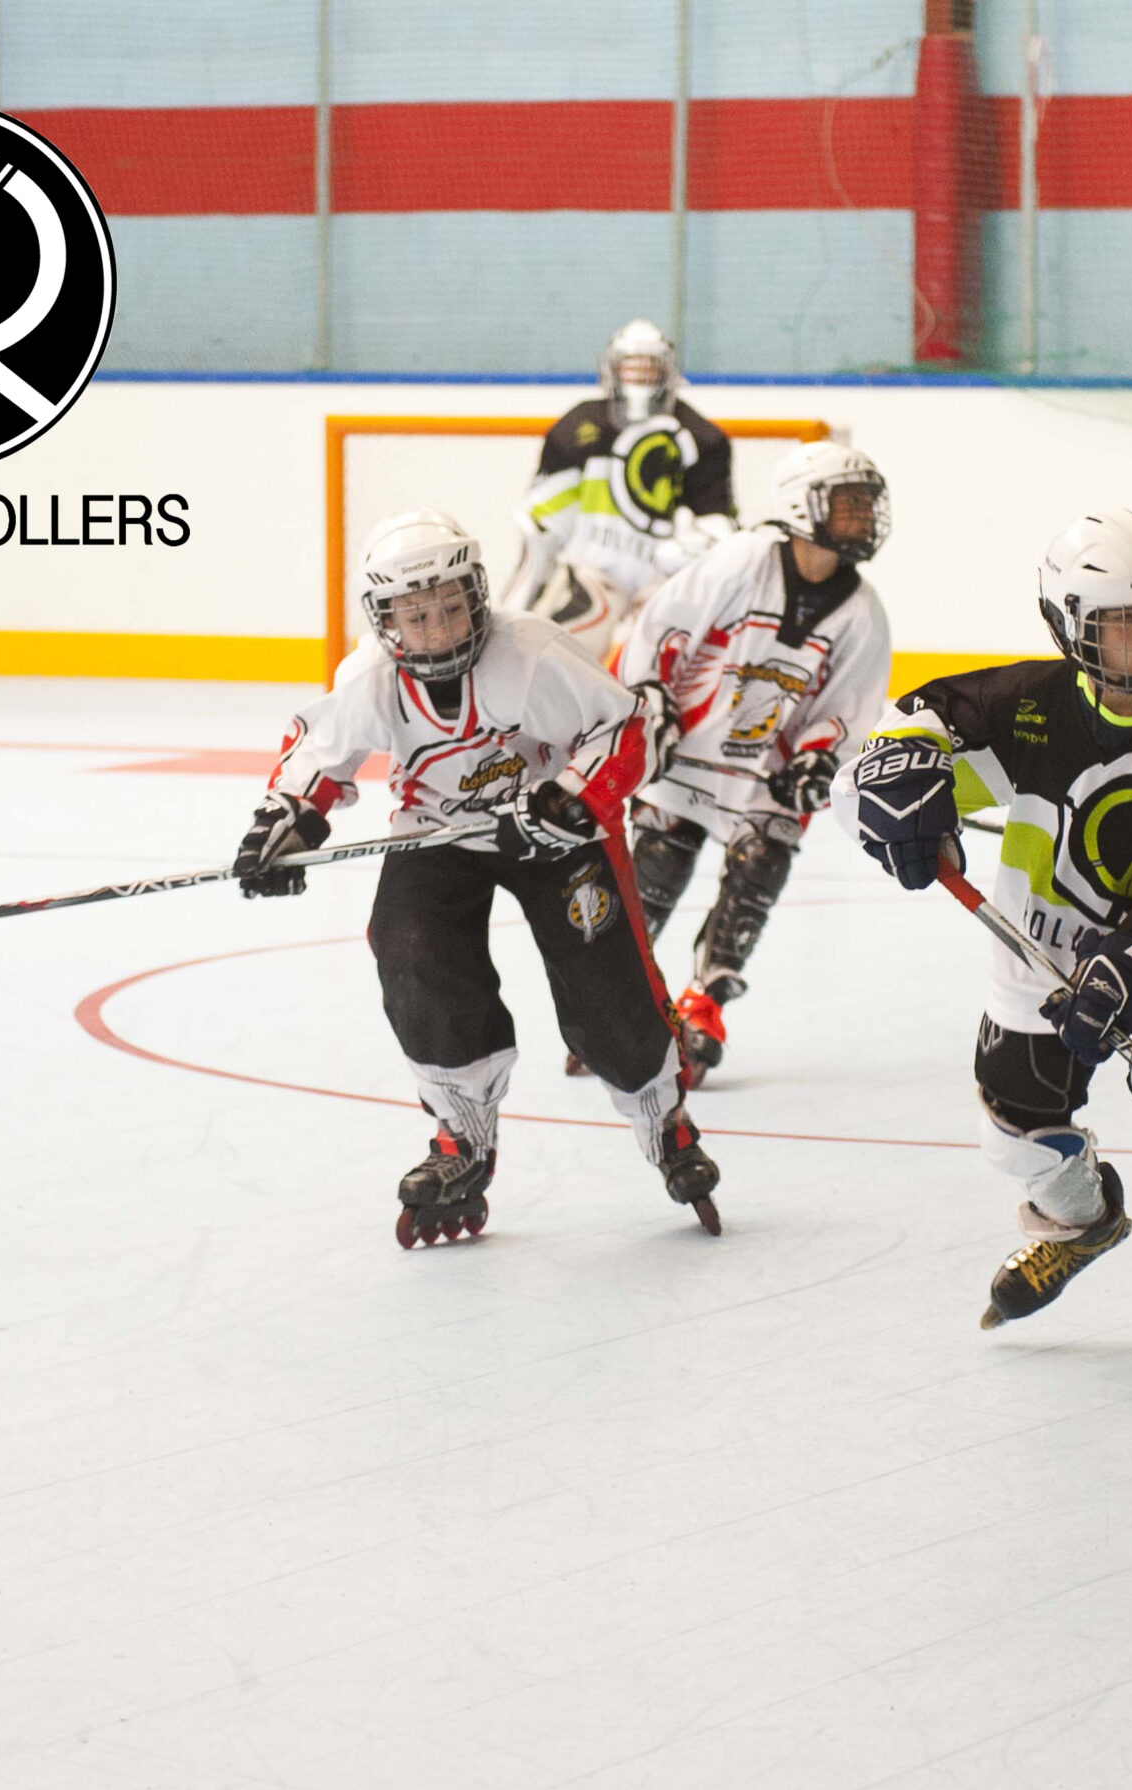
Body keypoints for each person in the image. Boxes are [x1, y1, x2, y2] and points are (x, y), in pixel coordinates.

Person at [830, 510, 1132, 1395]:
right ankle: (1083, 1221)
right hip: (1038, 965)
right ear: (1074, 624)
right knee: (1016, 1138)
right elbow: (892, 751)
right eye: (1126, 619)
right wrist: (886, 805)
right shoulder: (1025, 708)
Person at [232, 510, 723, 1245]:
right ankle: (461, 1138)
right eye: (415, 614)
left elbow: (630, 731)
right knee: (411, 951)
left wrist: (576, 797)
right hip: (439, 832)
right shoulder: (371, 675)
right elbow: (316, 757)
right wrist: (288, 820)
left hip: (554, 831)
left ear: (477, 596)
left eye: (449, 606)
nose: (435, 626)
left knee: (605, 989)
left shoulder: (532, 653)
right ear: (385, 618)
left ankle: (665, 1123)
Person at [610, 441, 895, 1076]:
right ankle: (617, 1002)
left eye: (867, 507)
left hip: (766, 764)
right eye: (847, 506)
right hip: (687, 745)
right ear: (802, 505)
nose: (863, 519)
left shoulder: (863, 612)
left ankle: (705, 1001)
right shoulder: (745, 559)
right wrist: (650, 701)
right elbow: (662, 629)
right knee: (656, 870)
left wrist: (818, 761)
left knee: (763, 860)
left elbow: (846, 709)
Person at [497, 320, 737, 662]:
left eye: (648, 367)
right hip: (591, 579)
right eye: (630, 366)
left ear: (666, 371)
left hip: (663, 588)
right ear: (612, 368)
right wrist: (515, 608)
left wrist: (689, 552)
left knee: (653, 679)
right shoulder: (578, 425)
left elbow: (719, 530)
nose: (638, 377)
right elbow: (540, 529)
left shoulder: (702, 438)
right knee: (551, 663)